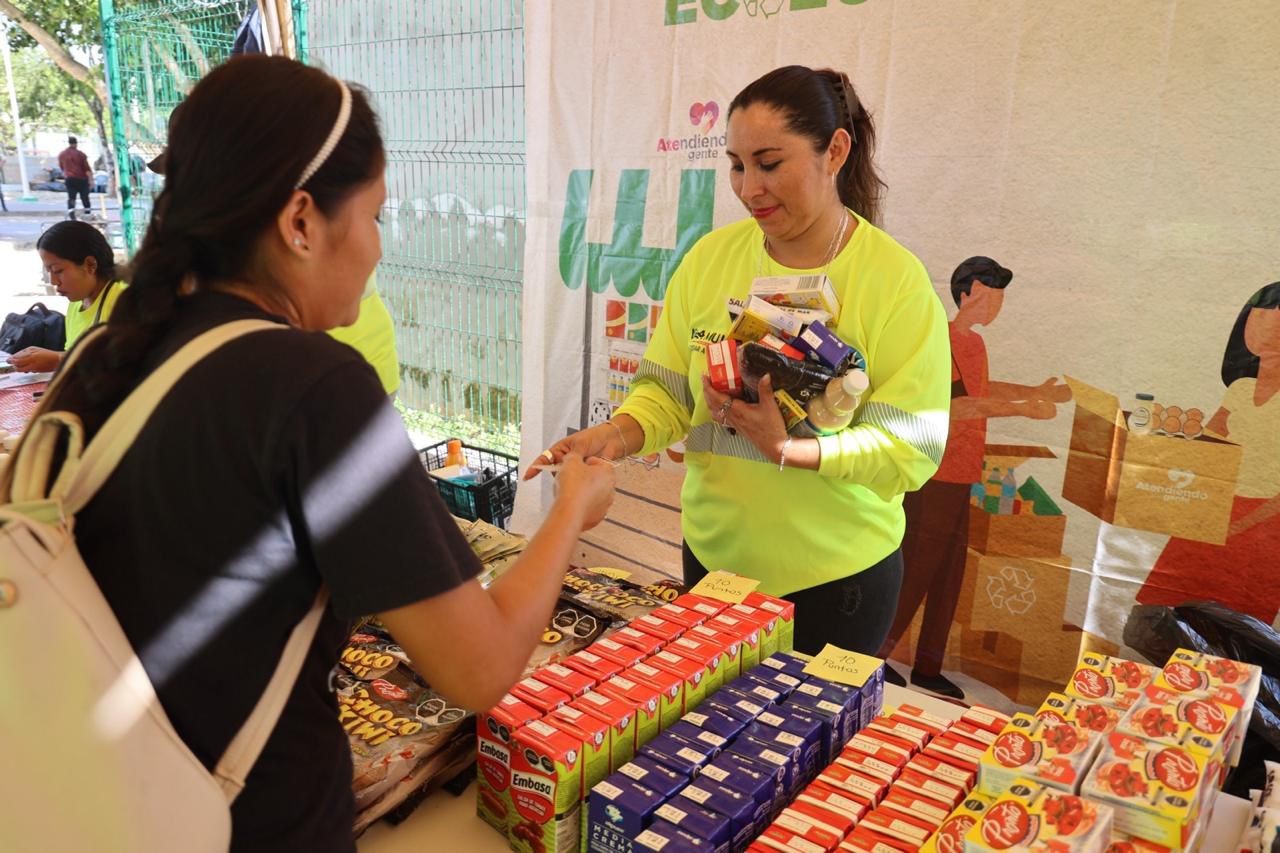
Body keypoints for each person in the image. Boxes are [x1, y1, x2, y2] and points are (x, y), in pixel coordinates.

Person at [30, 55, 614, 852]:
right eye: (376, 215)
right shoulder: (314, 387)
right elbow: (479, 668)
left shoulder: (102, 353)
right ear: (301, 220)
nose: (377, 248)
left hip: (92, 807)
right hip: (247, 823)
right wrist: (572, 509)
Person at [530, 65, 952, 656]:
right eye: (736, 165)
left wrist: (792, 450)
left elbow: (910, 450)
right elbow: (667, 393)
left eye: (769, 163)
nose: (749, 188)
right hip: (714, 564)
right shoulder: (710, 260)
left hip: (836, 581)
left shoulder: (895, 282)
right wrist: (615, 435)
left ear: (835, 151)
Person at [877, 257, 1071, 698]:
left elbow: (983, 391)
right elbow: (956, 405)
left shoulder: (975, 344)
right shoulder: (942, 339)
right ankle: (876, 656)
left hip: (964, 472)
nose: (995, 307)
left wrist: (1034, 393)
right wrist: (1023, 410)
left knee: (950, 574)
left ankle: (928, 666)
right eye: (989, 297)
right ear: (965, 295)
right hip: (935, 472)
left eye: (999, 299)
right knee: (916, 567)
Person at [1137, 281, 1280, 628]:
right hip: (1215, 508)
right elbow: (1208, 445)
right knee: (1160, 613)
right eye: (1259, 320)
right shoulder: (1241, 390)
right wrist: (1164, 437)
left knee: (1238, 627)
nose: (1267, 331)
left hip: (1264, 523)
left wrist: (1242, 523)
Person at [7, 221, 126, 373]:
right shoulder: (77, 303)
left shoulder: (124, 299)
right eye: (48, 271)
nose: (53, 281)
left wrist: (59, 360)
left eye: (58, 270)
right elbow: (75, 354)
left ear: (90, 265)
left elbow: (129, 363)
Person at [58, 135, 93, 219]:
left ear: (69, 143)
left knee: (71, 198)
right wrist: (91, 181)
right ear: (76, 143)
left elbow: (62, 167)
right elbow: (87, 169)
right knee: (85, 197)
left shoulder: (62, 154)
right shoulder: (81, 154)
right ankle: (87, 214)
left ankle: (72, 215)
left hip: (69, 178)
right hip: (82, 179)